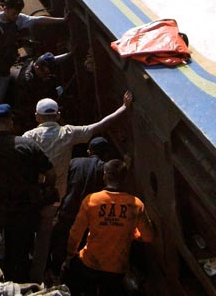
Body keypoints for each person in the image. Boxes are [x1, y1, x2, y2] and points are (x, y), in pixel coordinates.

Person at [22, 91, 134, 282]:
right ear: (58, 115)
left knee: (27, 230)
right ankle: (38, 274)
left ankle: (24, 267)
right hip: (54, 198)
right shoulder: (68, 133)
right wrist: (124, 107)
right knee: (44, 236)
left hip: (32, 195)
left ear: (37, 117)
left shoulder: (28, 137)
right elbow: (99, 126)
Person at [0, 104, 55, 283]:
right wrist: (44, 190)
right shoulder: (28, 145)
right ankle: (20, 284)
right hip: (24, 211)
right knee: (20, 253)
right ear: (10, 123)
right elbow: (50, 173)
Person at [64, 160, 154, 296]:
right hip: (117, 270)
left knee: (68, 275)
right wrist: (131, 233)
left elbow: (75, 233)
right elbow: (148, 237)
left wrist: (70, 254)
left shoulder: (92, 200)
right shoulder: (136, 205)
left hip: (90, 264)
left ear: (104, 176)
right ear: (125, 179)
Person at [0, 0, 67, 108]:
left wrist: (62, 20)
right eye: (14, 13)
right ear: (5, 8)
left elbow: (38, 20)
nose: (16, 16)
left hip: (4, 71)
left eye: (18, 13)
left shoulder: (19, 20)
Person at [50, 137, 114, 271]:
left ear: (89, 151)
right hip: (88, 218)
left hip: (67, 211)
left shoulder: (74, 162)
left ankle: (55, 273)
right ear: (106, 154)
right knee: (81, 251)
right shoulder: (104, 169)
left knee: (59, 245)